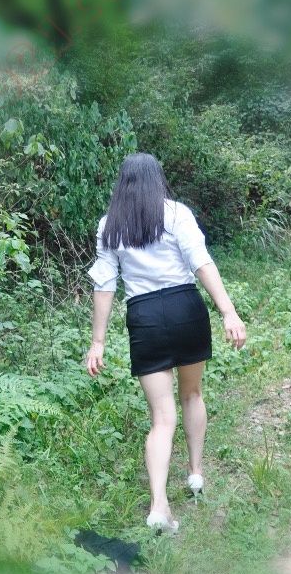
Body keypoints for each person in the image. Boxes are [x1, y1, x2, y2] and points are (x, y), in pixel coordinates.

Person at [85, 152, 246, 534]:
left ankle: (159, 505)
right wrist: (228, 312)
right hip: (185, 309)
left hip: (144, 317)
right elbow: (201, 262)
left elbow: (104, 284)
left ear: (123, 183)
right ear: (157, 179)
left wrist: (97, 342)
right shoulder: (176, 214)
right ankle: (195, 473)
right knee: (192, 393)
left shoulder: (110, 226)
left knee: (161, 417)